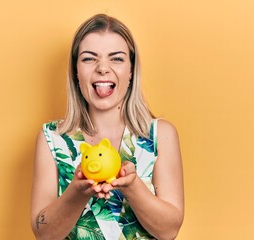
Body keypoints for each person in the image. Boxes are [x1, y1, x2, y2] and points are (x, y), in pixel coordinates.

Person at [30, 14, 184, 240]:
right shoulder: (52, 138)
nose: (103, 68)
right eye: (89, 58)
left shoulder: (161, 135)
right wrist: (77, 192)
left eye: (117, 59)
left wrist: (132, 188)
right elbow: (42, 233)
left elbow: (169, 230)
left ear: (131, 71)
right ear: (76, 71)